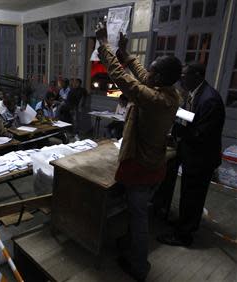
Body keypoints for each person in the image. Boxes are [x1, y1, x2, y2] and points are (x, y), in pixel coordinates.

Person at [95, 25, 182, 281]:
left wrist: (104, 46)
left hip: (141, 167)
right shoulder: (168, 92)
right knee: (135, 210)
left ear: (160, 78)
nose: (148, 72)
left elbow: (123, 78)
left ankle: (139, 266)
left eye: (153, 70)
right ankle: (129, 247)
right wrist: (125, 51)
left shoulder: (154, 99)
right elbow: (142, 74)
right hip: (153, 164)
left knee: (138, 216)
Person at [157, 63, 225, 247]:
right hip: (192, 152)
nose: (181, 79)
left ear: (197, 75)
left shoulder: (209, 99)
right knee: (187, 193)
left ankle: (184, 235)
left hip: (201, 158)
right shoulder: (195, 94)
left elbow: (200, 133)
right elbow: (191, 120)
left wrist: (176, 129)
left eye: (184, 75)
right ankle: (184, 223)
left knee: (193, 196)